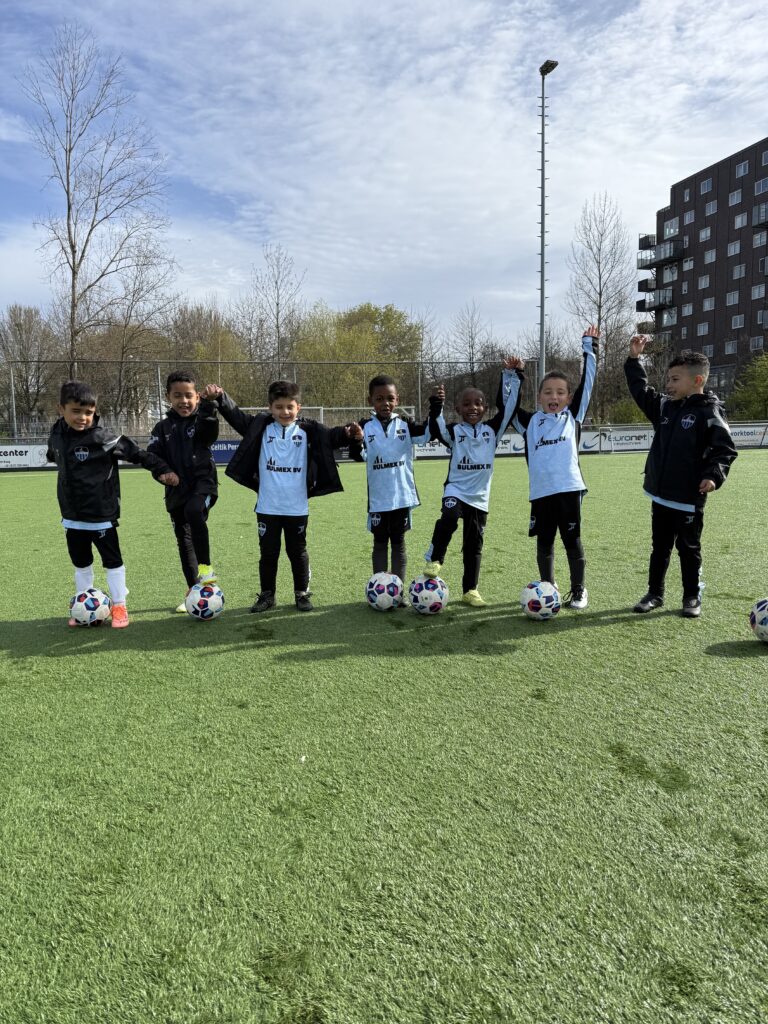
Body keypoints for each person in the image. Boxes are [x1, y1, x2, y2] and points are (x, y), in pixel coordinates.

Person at [202, 379, 353, 612]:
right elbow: (236, 416)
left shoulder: (308, 429)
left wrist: (348, 433)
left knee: (297, 552)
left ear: (298, 407)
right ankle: (267, 596)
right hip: (267, 506)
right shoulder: (260, 427)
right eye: (279, 407)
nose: (285, 412)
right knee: (268, 554)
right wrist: (221, 397)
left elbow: (332, 436)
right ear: (270, 408)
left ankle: (302, 594)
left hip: (297, 507)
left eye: (290, 407)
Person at [47, 380, 175, 628]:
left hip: (101, 514)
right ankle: (83, 606)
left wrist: (162, 469)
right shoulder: (56, 435)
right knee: (81, 564)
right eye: (76, 411)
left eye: (88, 412)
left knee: (112, 561)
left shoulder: (104, 438)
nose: (83, 417)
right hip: (72, 515)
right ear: (61, 409)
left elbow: (137, 453)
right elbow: (53, 455)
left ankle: (119, 606)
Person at [625, 337, 737, 618]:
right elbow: (640, 390)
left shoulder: (710, 411)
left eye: (675, 379)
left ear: (697, 380)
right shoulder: (665, 407)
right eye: (668, 379)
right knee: (659, 548)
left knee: (688, 549)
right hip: (661, 495)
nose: (669, 385)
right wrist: (634, 360)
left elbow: (724, 450)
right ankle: (655, 593)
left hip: (688, 498)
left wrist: (713, 476)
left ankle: (691, 596)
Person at [511, 327, 599, 610]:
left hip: (569, 490)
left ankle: (579, 589)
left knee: (572, 540)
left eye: (561, 392)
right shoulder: (529, 423)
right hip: (541, 493)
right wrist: (515, 375)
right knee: (545, 542)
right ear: (539, 397)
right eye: (548, 392)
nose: (554, 396)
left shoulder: (573, 417)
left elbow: (588, 382)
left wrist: (590, 347)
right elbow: (509, 406)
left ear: (569, 398)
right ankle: (547, 587)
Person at [423, 359, 522, 606]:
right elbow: (436, 427)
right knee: (448, 517)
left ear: (485, 407)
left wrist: (514, 375)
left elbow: (509, 408)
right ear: (458, 408)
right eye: (466, 404)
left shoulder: (493, 430)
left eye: (478, 403)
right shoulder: (455, 432)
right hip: (455, 490)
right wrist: (437, 403)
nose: (473, 408)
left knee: (474, 544)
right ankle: (436, 557)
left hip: (479, 497)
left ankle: (470, 590)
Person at [345, 375, 432, 587]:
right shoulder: (365, 426)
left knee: (399, 544)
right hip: (379, 499)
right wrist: (357, 440)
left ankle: (398, 590)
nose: (385, 403)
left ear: (397, 399)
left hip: (402, 497)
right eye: (379, 399)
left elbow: (427, 434)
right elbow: (358, 456)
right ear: (370, 401)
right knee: (380, 543)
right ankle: (380, 589)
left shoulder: (406, 424)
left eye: (390, 398)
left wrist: (436, 408)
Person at [148, 371, 220, 612]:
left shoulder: (202, 419)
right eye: (177, 395)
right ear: (168, 397)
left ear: (197, 397)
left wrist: (208, 405)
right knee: (184, 540)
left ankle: (206, 569)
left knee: (193, 511)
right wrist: (163, 472)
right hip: (176, 491)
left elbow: (209, 433)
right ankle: (194, 591)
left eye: (189, 395)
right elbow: (153, 457)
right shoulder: (161, 428)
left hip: (203, 484)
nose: (184, 401)